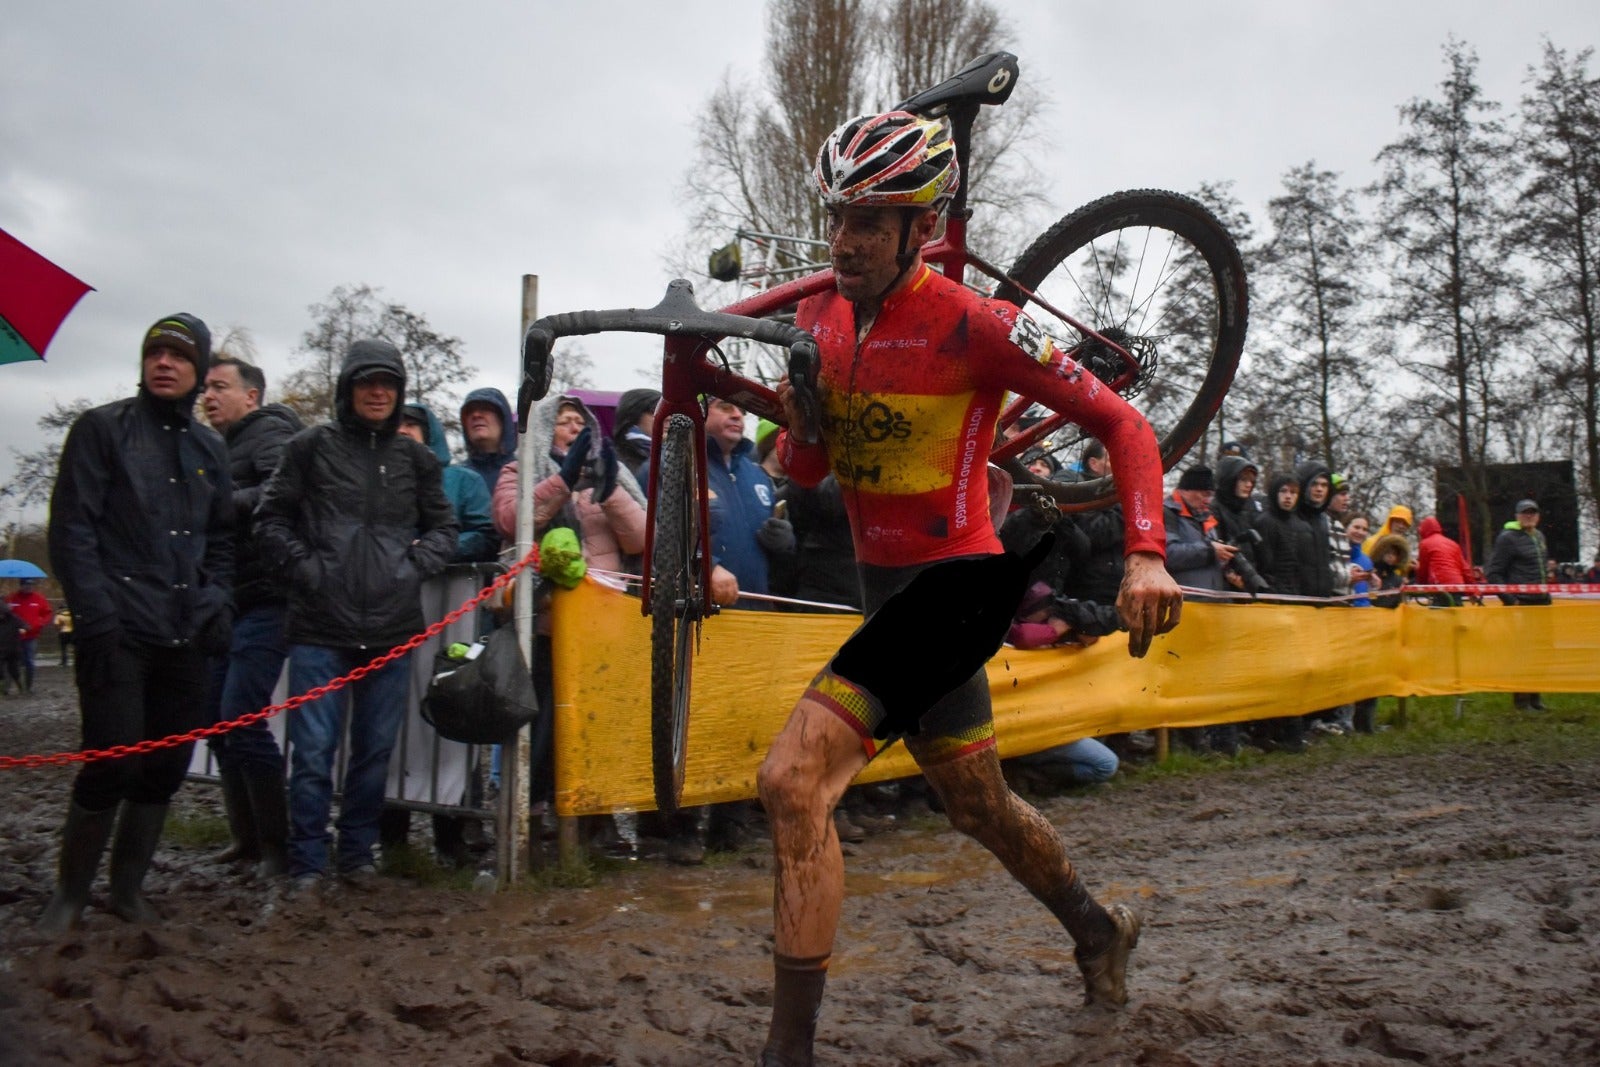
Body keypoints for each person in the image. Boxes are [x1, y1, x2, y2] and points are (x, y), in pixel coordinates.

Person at [756, 110, 1181, 1064]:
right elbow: (813, 474)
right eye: (838, 216)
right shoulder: (819, 316)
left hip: (949, 592)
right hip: (883, 590)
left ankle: (787, 1053)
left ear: (920, 227)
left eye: (872, 220)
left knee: (792, 781)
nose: (846, 240)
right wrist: (802, 423)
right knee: (977, 805)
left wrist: (1146, 552)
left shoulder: (978, 325)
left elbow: (1127, 428)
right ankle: (1096, 927)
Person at [39, 314, 234, 933]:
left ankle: (127, 890)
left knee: (165, 767)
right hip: (118, 628)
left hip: (187, 632)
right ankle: (69, 894)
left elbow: (224, 539)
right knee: (111, 760)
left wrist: (218, 600)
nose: (165, 363)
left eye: (179, 355)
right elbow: (72, 530)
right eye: (156, 352)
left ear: (199, 370)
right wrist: (95, 616)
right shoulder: (102, 430)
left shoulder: (210, 449)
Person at [256, 340, 457, 897]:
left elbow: (445, 527)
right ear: (348, 387)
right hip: (319, 626)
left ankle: (356, 855)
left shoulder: (416, 459)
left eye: (388, 384)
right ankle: (305, 863)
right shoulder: (308, 448)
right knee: (314, 753)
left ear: (399, 393)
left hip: (391, 628)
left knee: (373, 753)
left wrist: (412, 566)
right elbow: (270, 520)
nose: (377, 392)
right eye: (367, 382)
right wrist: (307, 570)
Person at [199, 355, 303, 879]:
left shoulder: (272, 435)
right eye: (206, 389)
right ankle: (244, 838)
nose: (209, 396)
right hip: (226, 599)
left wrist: (218, 503)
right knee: (216, 724)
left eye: (220, 387)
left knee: (242, 716)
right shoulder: (211, 445)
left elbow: (280, 494)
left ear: (251, 396)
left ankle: (275, 847)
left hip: (268, 596)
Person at [1484, 499, 1551, 712]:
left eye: (1533, 512)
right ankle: (1521, 700)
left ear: (1538, 516)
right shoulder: (1507, 538)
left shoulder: (1539, 536)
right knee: (1523, 653)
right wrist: (1511, 601)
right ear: (1517, 515)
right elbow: (1494, 573)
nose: (1529, 516)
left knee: (1540, 651)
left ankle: (1535, 697)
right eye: (1525, 513)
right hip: (1521, 604)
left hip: (1542, 603)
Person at [5, 577, 52, 694]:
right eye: (26, 585)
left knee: (29, 662)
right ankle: (7, 687)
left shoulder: (39, 599)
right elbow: (5, 614)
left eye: (31, 585)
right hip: (13, 637)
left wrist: (41, 623)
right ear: (21, 585)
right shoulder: (11, 598)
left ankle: (28, 687)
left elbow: (47, 613)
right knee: (11, 661)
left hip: (31, 636)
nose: (28, 587)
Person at [1415, 516, 1470, 606]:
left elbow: (1423, 570)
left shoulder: (1425, 544)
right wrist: (1473, 592)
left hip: (1439, 585)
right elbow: (1465, 569)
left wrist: (1422, 586)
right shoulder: (1453, 544)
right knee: (1456, 614)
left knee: (1436, 616)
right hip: (1457, 586)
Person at [611, 387, 662, 479]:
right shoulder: (611, 462)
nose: (668, 417)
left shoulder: (678, 456)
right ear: (633, 415)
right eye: (655, 411)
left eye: (668, 412)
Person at [0, 600, 24, 696]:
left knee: (14, 671)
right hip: (1, 649)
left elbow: (25, 626)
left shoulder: (14, 619)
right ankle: (3, 690)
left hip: (13, 649)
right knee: (0, 671)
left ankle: (20, 687)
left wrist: (23, 629)